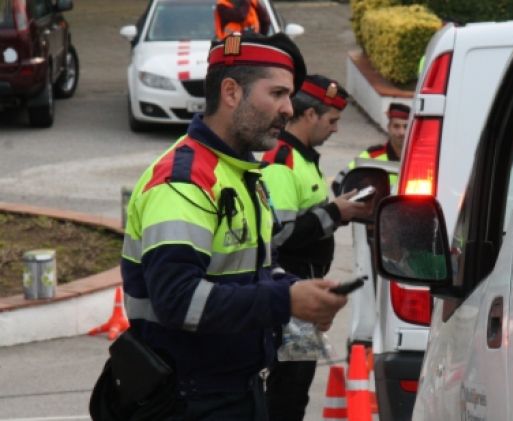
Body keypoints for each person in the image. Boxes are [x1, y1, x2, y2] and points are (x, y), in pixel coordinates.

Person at [119, 33, 347, 420]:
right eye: (276, 93)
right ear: (230, 92)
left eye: (288, 96)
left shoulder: (240, 173)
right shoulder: (185, 180)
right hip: (188, 399)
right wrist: (286, 301)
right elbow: (177, 300)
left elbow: (250, 270)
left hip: (231, 390)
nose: (289, 109)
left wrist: (297, 289)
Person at [260, 74, 371, 421]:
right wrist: (334, 212)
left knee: (296, 383)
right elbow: (279, 237)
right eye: (332, 120)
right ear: (309, 116)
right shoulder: (283, 160)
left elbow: (308, 221)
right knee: (289, 388)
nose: (336, 130)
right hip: (290, 294)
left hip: (303, 292)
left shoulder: (303, 158)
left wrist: (336, 212)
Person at [331, 102, 410, 195]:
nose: (402, 132)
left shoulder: (421, 160)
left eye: (406, 127)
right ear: (388, 128)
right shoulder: (371, 156)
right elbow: (338, 182)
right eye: (396, 126)